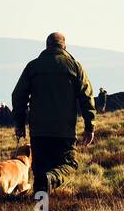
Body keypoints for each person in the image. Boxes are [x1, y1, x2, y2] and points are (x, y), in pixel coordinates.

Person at [12, 32, 96, 196]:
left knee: (40, 171)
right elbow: (87, 98)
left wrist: (19, 123)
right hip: (63, 130)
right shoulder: (74, 66)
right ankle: (52, 179)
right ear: (64, 46)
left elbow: (18, 96)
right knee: (69, 164)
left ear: (47, 45)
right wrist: (89, 127)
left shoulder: (33, 67)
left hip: (39, 131)